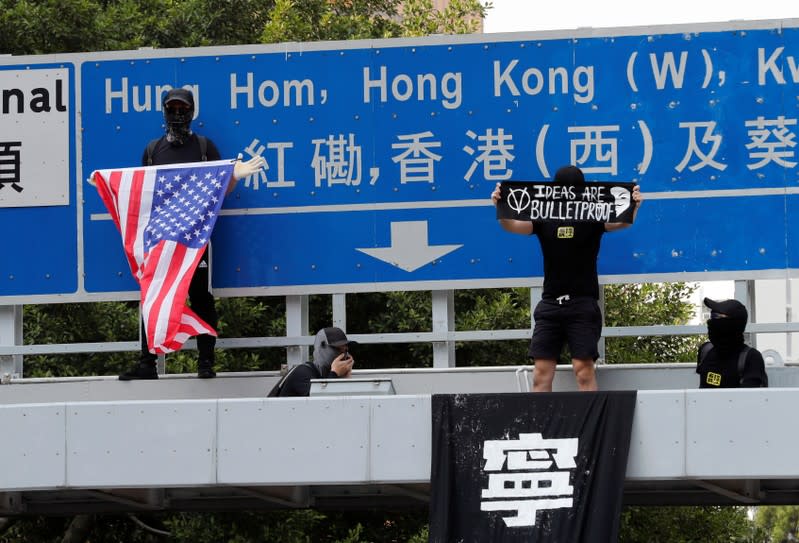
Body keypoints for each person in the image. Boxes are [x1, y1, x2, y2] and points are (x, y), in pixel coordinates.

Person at [119, 88, 263, 381]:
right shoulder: (152, 150)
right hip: (160, 239)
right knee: (154, 295)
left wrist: (234, 175)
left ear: (192, 111)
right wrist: (112, 188)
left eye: (183, 109)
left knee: (201, 297)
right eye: (172, 108)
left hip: (196, 239)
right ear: (163, 111)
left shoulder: (203, 147)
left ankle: (206, 363)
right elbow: (142, 193)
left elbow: (221, 188)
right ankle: (148, 362)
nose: (177, 114)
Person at [491, 165, 642, 392]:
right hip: (550, 303)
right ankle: (542, 426)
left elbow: (621, 221)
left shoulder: (592, 215)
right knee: (541, 374)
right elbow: (512, 225)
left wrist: (634, 205)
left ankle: (590, 427)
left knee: (583, 369)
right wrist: (500, 206)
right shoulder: (544, 216)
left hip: (583, 303)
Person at [697, 297, 768, 388]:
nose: (711, 321)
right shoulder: (705, 351)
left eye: (716, 316)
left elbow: (752, 399)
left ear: (733, 323)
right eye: (711, 316)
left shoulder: (751, 358)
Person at [273, 327, 357, 397]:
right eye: (337, 349)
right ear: (322, 348)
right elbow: (322, 404)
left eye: (345, 351)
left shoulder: (324, 375)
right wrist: (334, 373)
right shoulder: (302, 373)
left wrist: (345, 378)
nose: (342, 355)